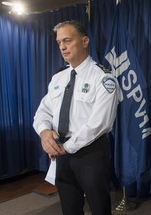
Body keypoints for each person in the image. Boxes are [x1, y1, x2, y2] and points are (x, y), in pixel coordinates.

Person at [33, 20, 118, 215]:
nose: (62, 46)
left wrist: (66, 147)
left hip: (91, 154)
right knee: (69, 209)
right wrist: (44, 132)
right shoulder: (59, 78)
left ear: (85, 41)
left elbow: (100, 123)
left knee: (99, 209)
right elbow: (42, 112)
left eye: (67, 40)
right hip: (61, 154)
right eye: (59, 42)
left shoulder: (103, 78)